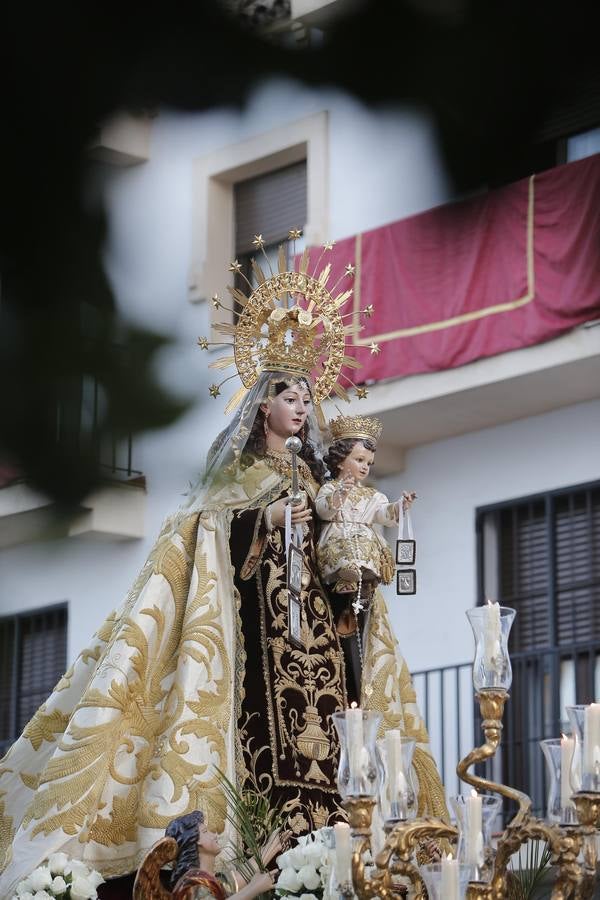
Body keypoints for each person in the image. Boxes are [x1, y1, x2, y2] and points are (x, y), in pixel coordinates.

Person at [0, 241, 447, 898]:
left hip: (321, 646)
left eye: (306, 397)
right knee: (268, 752)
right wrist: (265, 523)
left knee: (335, 755)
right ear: (264, 404)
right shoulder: (233, 478)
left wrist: (357, 558)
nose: (301, 407)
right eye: (289, 396)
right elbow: (210, 541)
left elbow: (341, 550)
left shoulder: (317, 480)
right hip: (257, 652)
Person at [315, 414, 416, 702]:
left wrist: (401, 506)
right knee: (346, 571)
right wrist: (340, 495)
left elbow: (384, 515)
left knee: (365, 583)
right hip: (339, 547)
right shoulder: (331, 488)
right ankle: (348, 595)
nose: (364, 467)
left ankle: (360, 596)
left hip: (367, 552)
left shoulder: (373, 495)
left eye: (368, 463)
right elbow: (323, 510)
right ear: (340, 460)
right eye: (359, 460)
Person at [133, 810, 283, 899]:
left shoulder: (209, 879)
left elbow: (238, 879)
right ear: (195, 841)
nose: (214, 835)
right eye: (206, 832)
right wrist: (255, 888)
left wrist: (271, 847)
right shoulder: (190, 884)